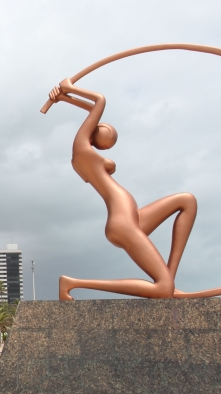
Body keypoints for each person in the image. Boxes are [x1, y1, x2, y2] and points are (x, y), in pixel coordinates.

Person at [46, 79, 197, 300]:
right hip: (122, 222)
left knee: (187, 200)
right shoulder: (82, 150)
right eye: (108, 130)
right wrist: (69, 88)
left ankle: (170, 280)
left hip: (133, 217)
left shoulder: (87, 155)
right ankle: (72, 283)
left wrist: (63, 99)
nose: (111, 135)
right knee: (161, 290)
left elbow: (92, 111)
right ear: (95, 133)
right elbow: (99, 101)